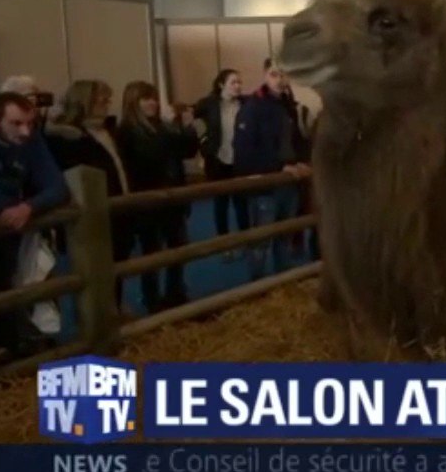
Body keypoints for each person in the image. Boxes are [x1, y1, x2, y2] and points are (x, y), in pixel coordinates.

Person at [0, 92, 68, 357]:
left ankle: (0, 355)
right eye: (16, 123)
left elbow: (57, 185)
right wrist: (17, 206)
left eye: (30, 123)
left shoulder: (31, 139)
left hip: (3, 224)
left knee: (2, 284)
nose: (25, 131)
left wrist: (29, 207)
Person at [44, 80, 136, 315]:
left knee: (119, 260)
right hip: (91, 211)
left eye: (107, 98)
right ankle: (98, 316)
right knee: (94, 266)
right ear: (84, 101)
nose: (106, 103)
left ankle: (115, 306)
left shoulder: (107, 131)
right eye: (100, 98)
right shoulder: (67, 137)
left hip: (119, 206)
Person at [115, 81, 200, 313]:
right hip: (148, 203)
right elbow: (150, 158)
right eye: (146, 99)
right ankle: (152, 299)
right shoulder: (127, 132)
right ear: (134, 102)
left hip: (173, 199)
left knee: (178, 248)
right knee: (151, 254)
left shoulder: (160, 127)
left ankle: (175, 293)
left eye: (154, 98)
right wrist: (172, 130)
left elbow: (188, 150)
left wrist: (187, 127)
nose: (152, 103)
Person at [233, 59, 310, 281]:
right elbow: (244, 151)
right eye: (274, 74)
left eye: (283, 74)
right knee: (261, 241)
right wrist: (279, 166)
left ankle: (283, 283)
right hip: (266, 186)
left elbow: (295, 140)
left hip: (289, 181)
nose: (279, 79)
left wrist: (300, 161)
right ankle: (258, 286)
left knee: (284, 238)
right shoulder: (252, 107)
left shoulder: (288, 105)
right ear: (265, 75)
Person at [192, 69, 249, 259]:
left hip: (240, 160)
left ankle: (246, 241)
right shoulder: (207, 104)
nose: (238, 86)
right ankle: (224, 245)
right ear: (221, 84)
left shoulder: (245, 104)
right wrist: (204, 144)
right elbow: (195, 122)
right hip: (217, 160)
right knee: (220, 204)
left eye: (239, 82)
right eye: (233, 82)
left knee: (242, 203)